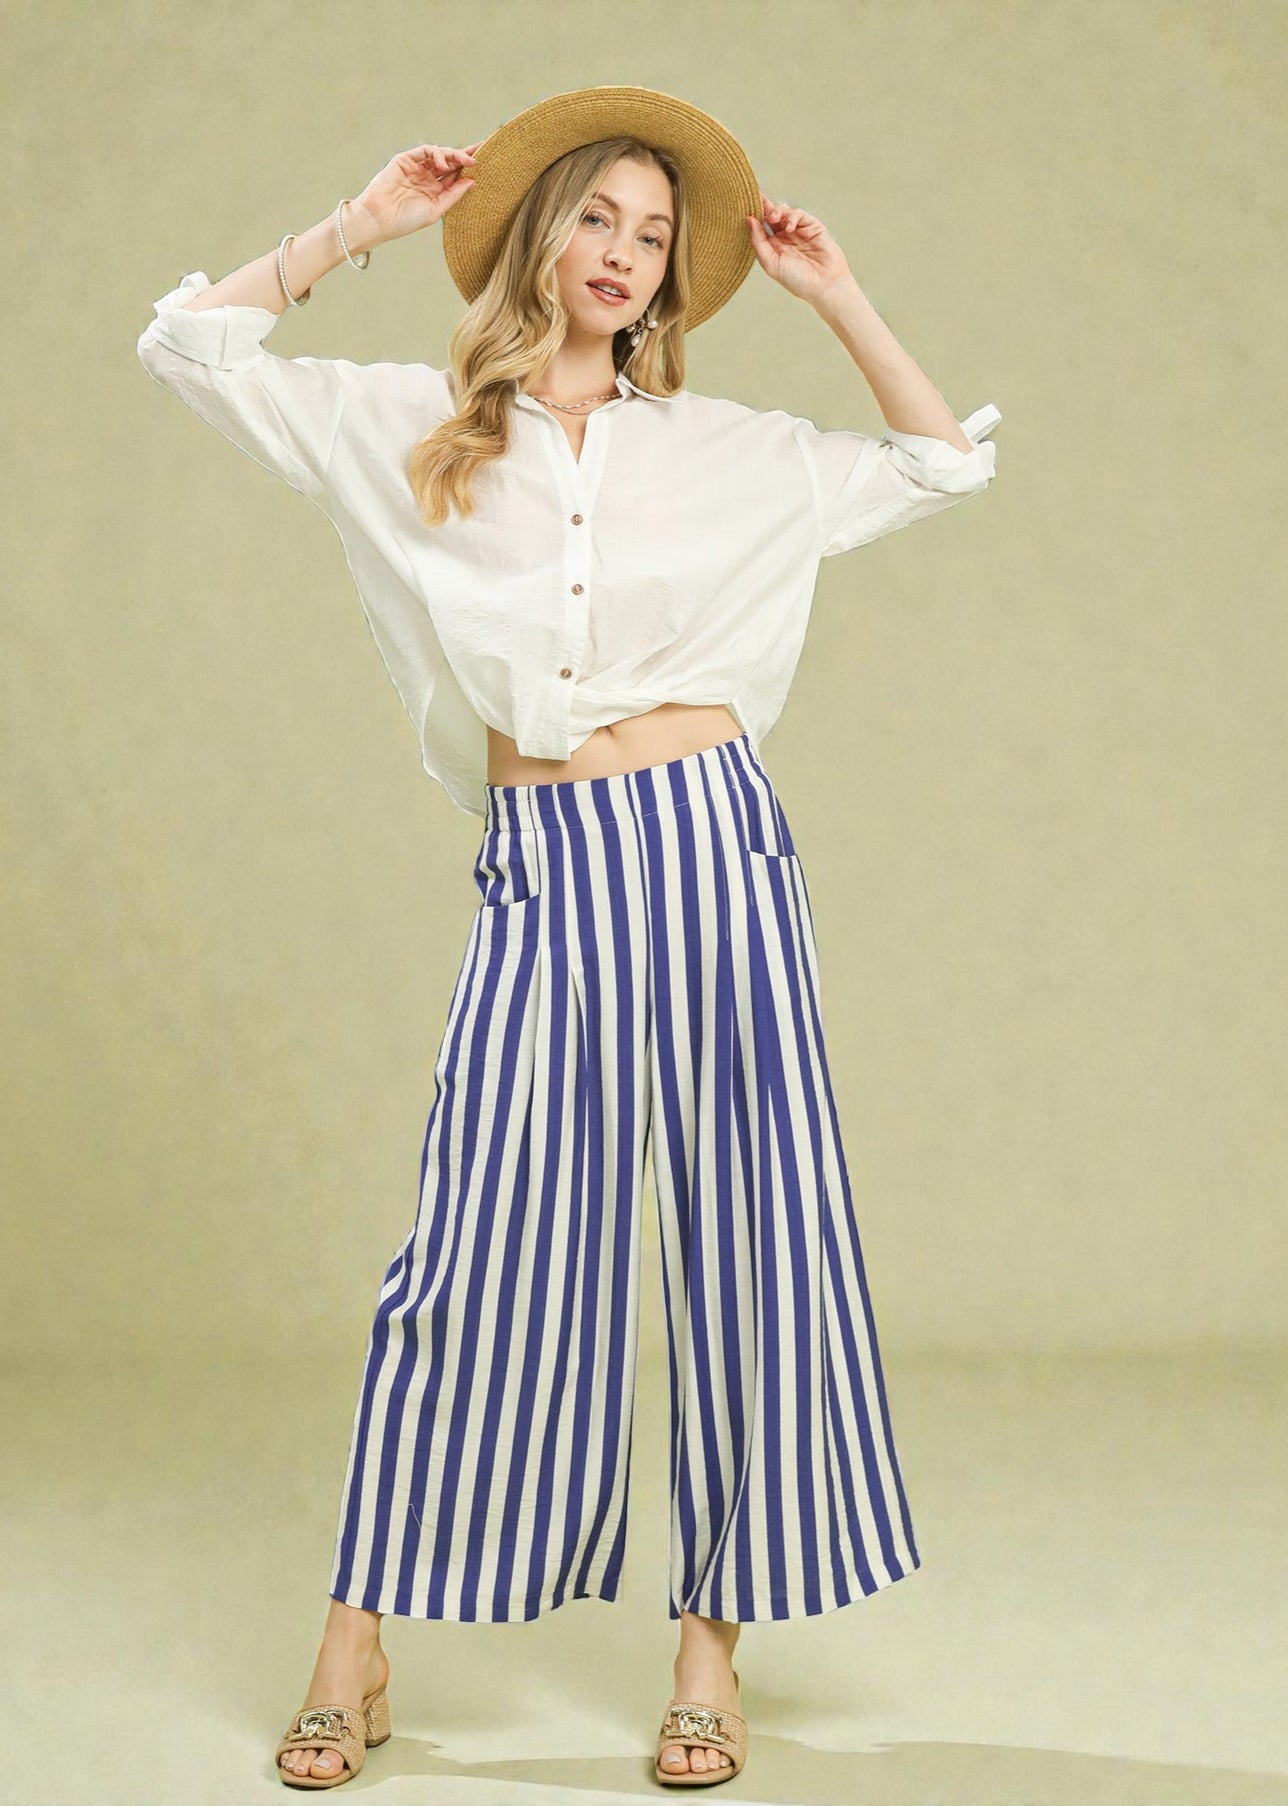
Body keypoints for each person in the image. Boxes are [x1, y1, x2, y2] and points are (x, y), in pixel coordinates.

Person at [135, 84, 1000, 1792]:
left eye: (655, 235)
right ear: (539, 235)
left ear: (674, 277)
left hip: (715, 848)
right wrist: (353, 229)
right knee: (474, 1250)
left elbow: (938, 461)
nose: (622, 252)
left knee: (755, 1247)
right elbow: (188, 349)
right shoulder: (403, 424)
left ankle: (707, 1658)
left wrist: (834, 296)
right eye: (597, 217)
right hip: (546, 859)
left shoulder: (726, 448)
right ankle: (354, 1647)